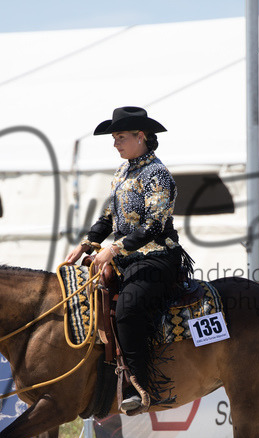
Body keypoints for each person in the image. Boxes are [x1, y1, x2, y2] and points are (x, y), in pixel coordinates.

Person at [64, 106, 193, 414]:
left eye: (120, 137)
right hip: (128, 259)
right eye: (114, 137)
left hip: (157, 257)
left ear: (141, 137)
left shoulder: (157, 174)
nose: (115, 143)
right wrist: (89, 242)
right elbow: (110, 215)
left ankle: (141, 385)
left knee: (128, 308)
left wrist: (114, 249)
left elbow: (155, 225)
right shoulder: (124, 172)